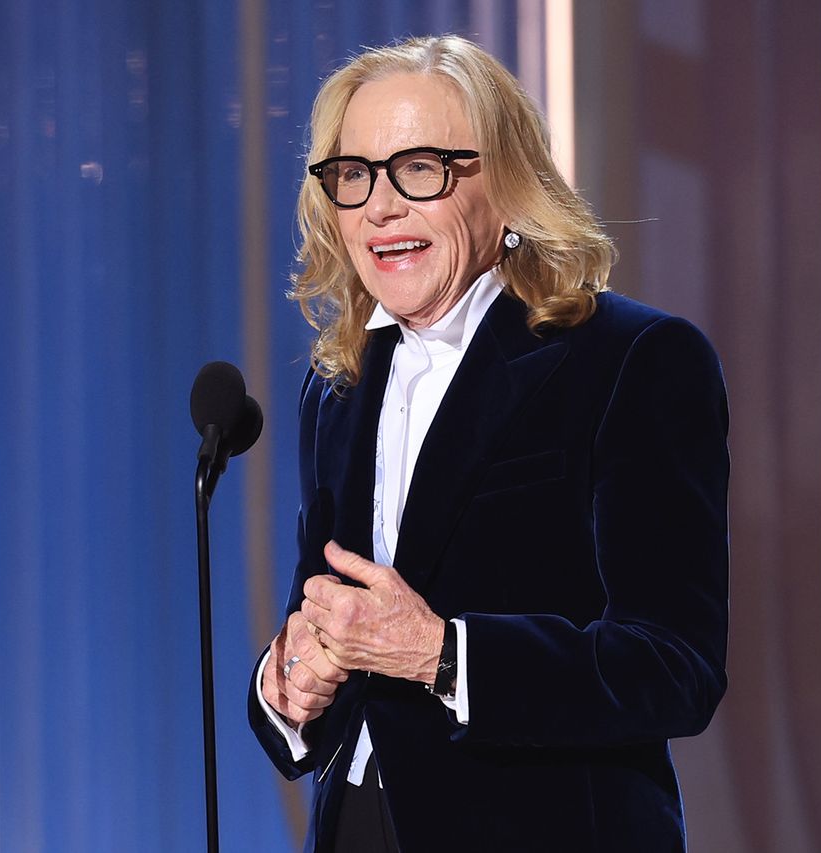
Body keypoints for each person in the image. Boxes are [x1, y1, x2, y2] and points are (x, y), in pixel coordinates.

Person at [247, 35, 729, 852]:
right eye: (355, 175)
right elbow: (322, 618)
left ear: (506, 187)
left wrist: (443, 653)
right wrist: (286, 685)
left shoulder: (630, 361)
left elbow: (674, 668)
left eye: (420, 168)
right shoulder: (338, 386)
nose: (380, 206)